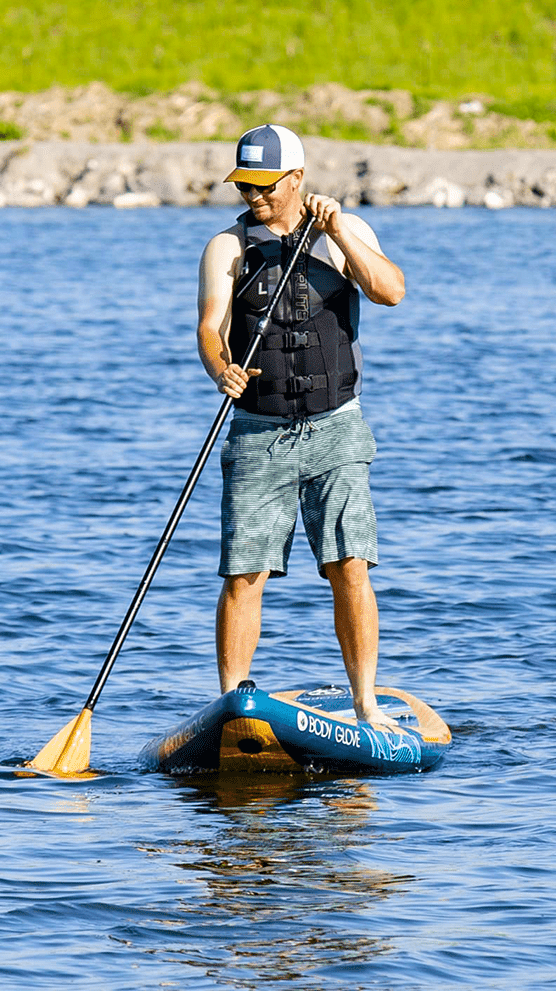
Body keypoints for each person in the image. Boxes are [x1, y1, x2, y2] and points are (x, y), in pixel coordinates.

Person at [196, 124, 407, 730]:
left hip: (336, 428)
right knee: (244, 572)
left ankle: (366, 702)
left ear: (296, 179)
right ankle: (235, 704)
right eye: (245, 187)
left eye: (265, 187)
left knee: (349, 564)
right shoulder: (227, 247)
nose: (253, 198)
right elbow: (211, 328)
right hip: (257, 430)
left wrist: (339, 229)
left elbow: (391, 291)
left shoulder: (344, 232)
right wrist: (222, 369)